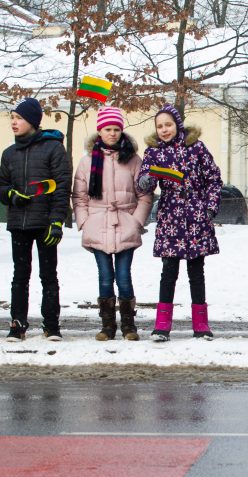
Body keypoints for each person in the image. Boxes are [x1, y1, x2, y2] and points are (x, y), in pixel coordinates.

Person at [137, 103, 222, 341]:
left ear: (177, 125)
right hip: (170, 216)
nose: (164, 130)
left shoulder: (196, 148)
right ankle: (162, 325)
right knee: (168, 271)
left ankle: (201, 325)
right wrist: (148, 178)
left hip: (196, 216)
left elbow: (214, 179)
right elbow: (143, 184)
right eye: (160, 126)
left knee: (197, 272)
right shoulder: (153, 152)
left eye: (168, 125)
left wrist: (209, 207)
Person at [72, 107, 153, 341]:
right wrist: (85, 222)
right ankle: (108, 325)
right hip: (97, 226)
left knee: (124, 275)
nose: (113, 133)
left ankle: (129, 325)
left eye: (117, 129)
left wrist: (136, 221)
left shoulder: (133, 160)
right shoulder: (87, 162)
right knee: (105, 276)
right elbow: (79, 196)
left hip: (125, 223)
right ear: (100, 131)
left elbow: (145, 194)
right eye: (108, 129)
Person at [0, 97, 72, 342]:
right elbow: (1, 186)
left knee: (48, 275)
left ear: (33, 121)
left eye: (19, 118)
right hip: (19, 223)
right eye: (13, 118)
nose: (14, 123)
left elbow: (61, 187)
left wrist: (57, 221)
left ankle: (51, 324)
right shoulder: (9, 153)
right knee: (20, 275)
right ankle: (17, 324)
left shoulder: (53, 148)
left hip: (45, 223)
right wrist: (11, 196)